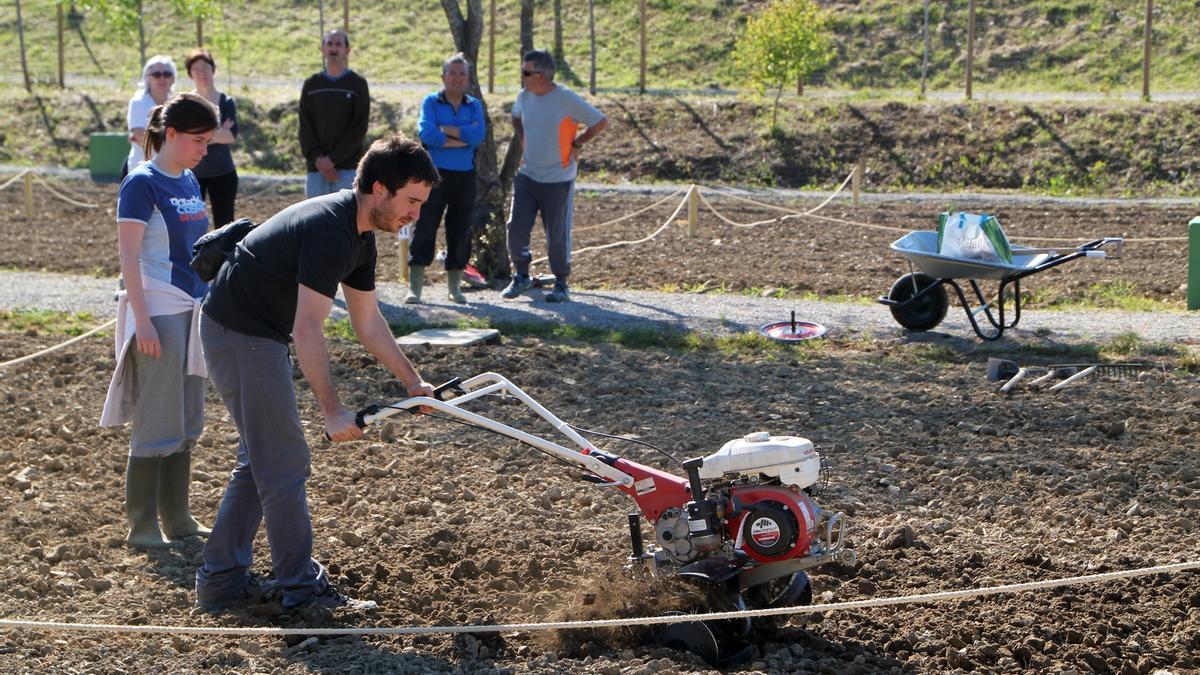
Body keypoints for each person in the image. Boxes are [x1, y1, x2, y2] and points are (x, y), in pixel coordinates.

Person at [194, 133, 439, 612]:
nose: (415, 215)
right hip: (240, 332)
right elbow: (309, 327)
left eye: (422, 204)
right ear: (380, 189)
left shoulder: (360, 239)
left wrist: (414, 383)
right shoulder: (331, 228)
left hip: (248, 331)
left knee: (263, 460)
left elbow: (368, 324)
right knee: (285, 463)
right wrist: (331, 410)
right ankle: (300, 590)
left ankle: (221, 581)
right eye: (411, 201)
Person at [101, 93, 220, 549]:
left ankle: (178, 516)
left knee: (188, 416)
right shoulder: (141, 182)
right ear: (170, 135)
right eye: (197, 140)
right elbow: (128, 256)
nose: (203, 150)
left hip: (192, 312)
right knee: (157, 417)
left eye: (208, 142)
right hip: (159, 309)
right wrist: (143, 320)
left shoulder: (189, 179)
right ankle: (142, 525)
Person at [501, 49, 608, 303]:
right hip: (527, 175)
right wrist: (524, 139)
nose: (523, 76)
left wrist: (578, 144)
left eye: (526, 72)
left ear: (542, 75)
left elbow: (600, 121)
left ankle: (561, 282)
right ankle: (521, 275)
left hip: (558, 178)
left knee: (557, 234)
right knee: (516, 228)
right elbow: (516, 117)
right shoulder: (524, 96)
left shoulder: (565, 99)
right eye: (522, 71)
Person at [409, 53, 486, 305]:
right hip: (434, 175)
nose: (457, 78)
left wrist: (446, 132)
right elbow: (428, 134)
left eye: (462, 73)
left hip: (465, 175)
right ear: (443, 77)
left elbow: (477, 136)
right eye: (452, 73)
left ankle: (455, 288)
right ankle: (416, 288)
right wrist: (460, 137)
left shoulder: (474, 104)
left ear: (468, 78)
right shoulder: (431, 102)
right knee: (425, 226)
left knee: (460, 228)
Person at [299, 29, 370, 198]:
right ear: (322, 49)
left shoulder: (358, 84)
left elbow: (358, 129)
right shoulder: (311, 84)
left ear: (347, 50)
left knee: (346, 222)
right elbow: (304, 127)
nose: (333, 48)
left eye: (338, 44)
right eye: (329, 43)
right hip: (316, 170)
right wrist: (319, 160)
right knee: (314, 222)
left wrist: (332, 160)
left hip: (347, 170)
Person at [185, 48, 239, 229]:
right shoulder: (187, 103)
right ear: (190, 74)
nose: (202, 73)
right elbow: (185, 137)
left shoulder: (226, 101)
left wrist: (199, 135)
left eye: (205, 68)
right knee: (193, 225)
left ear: (213, 69)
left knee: (225, 227)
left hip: (223, 173)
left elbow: (231, 136)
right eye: (196, 69)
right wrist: (217, 132)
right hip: (192, 174)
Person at [123, 55, 177, 179]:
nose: (162, 78)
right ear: (147, 78)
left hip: (172, 169)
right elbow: (142, 138)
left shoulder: (178, 103)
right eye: (157, 74)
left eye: (167, 74)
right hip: (141, 169)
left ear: (173, 78)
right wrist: (174, 144)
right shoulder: (138, 103)